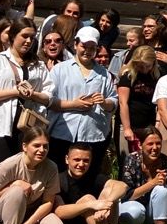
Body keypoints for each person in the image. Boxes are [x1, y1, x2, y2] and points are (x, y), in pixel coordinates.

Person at [0, 18, 50, 170]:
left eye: (32, 37)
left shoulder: (39, 65)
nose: (28, 41)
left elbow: (49, 97)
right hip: (0, 128)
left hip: (28, 129)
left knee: (25, 172)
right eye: (24, 36)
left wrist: (32, 94)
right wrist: (15, 92)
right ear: (13, 36)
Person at [53, 142, 144, 224]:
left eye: (86, 160)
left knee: (110, 193)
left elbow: (122, 186)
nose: (81, 164)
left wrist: (106, 204)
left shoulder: (94, 176)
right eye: (76, 160)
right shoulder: (59, 180)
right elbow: (59, 211)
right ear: (67, 159)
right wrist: (92, 204)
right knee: (88, 199)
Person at [46, 27, 117, 170]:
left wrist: (104, 102)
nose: (87, 51)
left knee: (89, 177)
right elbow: (48, 100)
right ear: (75, 45)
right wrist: (74, 104)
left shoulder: (104, 74)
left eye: (92, 48)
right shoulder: (60, 70)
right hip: (63, 132)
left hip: (93, 134)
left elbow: (114, 102)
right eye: (84, 46)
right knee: (59, 174)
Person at [118, 127, 167, 224]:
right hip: (132, 206)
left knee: (163, 190)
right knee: (136, 211)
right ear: (140, 145)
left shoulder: (166, 163)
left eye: (158, 143)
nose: (155, 147)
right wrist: (152, 182)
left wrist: (160, 183)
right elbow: (126, 196)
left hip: (155, 211)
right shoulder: (131, 160)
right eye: (150, 144)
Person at [117, 46, 161, 155]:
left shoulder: (157, 76)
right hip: (129, 123)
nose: (145, 69)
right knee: (128, 159)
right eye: (141, 66)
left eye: (148, 66)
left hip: (148, 124)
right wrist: (127, 128)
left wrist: (157, 124)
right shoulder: (128, 76)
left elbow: (159, 103)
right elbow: (123, 103)